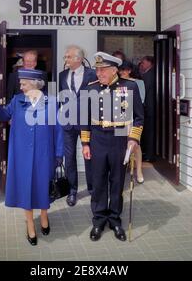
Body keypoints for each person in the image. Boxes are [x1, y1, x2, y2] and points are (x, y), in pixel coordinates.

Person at [0, 68, 64, 246]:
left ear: (35, 84)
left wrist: (59, 153)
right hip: (22, 155)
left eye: (23, 83)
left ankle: (44, 216)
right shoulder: (17, 100)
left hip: (44, 154)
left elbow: (58, 130)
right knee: (26, 189)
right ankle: (30, 225)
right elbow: (3, 115)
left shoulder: (51, 102)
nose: (20, 86)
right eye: (21, 83)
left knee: (43, 186)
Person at [80, 52, 144, 242]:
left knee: (117, 182)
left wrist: (133, 139)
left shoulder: (129, 86)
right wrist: (85, 143)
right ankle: (99, 219)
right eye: (97, 70)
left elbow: (139, 116)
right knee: (98, 181)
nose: (98, 73)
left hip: (119, 138)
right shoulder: (90, 88)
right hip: (97, 138)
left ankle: (115, 219)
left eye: (102, 70)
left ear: (114, 70)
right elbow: (84, 118)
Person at [58, 45, 97, 206]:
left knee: (90, 155)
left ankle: (93, 189)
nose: (65, 59)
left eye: (68, 56)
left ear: (79, 59)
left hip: (87, 123)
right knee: (70, 157)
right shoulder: (62, 75)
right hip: (68, 123)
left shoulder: (92, 74)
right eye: (65, 57)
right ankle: (72, 191)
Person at [118, 60, 146, 184]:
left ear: (130, 70)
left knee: (135, 146)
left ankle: (139, 171)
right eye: (121, 70)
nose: (122, 72)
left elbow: (141, 100)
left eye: (125, 70)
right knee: (121, 146)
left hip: (134, 118)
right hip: (120, 117)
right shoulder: (117, 83)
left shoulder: (137, 83)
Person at [139, 55, 155, 162]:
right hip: (149, 107)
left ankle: (149, 155)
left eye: (143, 62)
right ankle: (147, 153)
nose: (141, 64)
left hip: (149, 108)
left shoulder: (149, 75)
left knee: (149, 132)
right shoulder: (147, 73)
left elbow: (144, 91)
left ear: (150, 63)